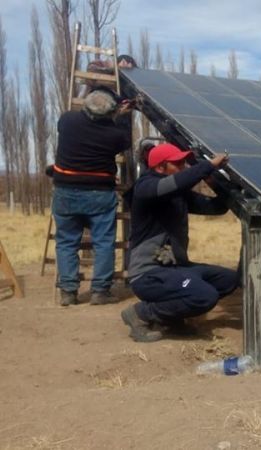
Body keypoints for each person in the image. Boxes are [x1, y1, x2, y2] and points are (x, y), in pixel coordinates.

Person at [120, 144, 237, 342]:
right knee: (205, 296)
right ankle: (141, 313)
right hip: (148, 274)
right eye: (177, 163)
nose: (183, 167)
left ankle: (171, 318)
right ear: (159, 168)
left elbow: (217, 208)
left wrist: (214, 182)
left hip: (175, 269)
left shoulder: (179, 194)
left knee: (229, 280)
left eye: (184, 162)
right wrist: (206, 166)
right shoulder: (145, 187)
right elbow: (173, 184)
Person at [51, 89, 132, 306]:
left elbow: (83, 123)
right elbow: (125, 143)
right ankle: (99, 292)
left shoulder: (67, 120)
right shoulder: (115, 133)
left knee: (67, 242)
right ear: (109, 112)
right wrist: (122, 117)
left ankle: (68, 291)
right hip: (99, 193)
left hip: (65, 191)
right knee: (103, 243)